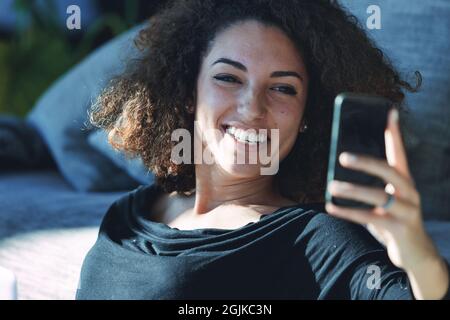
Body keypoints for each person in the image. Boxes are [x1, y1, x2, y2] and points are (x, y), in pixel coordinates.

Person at [77, 0, 449, 300]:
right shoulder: (130, 213)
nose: (252, 107)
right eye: (228, 78)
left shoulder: (318, 238)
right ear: (189, 92)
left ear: (307, 115)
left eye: (283, 88)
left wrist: (417, 255)